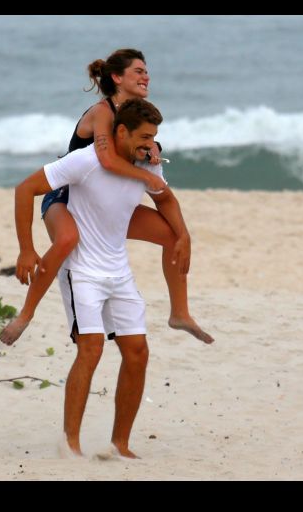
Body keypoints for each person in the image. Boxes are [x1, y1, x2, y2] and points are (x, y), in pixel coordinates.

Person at [0, 48, 213, 345]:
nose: (146, 75)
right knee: (66, 240)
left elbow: (144, 163)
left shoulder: (138, 118)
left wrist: (153, 150)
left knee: (171, 234)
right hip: (66, 195)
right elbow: (108, 161)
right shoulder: (103, 112)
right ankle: (26, 314)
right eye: (138, 71)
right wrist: (149, 176)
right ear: (117, 77)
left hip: (107, 201)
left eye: (146, 70)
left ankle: (180, 312)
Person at [13, 99, 179, 457]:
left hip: (119, 272)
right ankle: (70, 443)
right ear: (121, 131)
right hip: (82, 271)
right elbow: (25, 189)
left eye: (154, 138)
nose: (151, 145)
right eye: (145, 137)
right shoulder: (85, 161)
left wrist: (183, 237)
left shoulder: (146, 165)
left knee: (137, 352)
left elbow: (166, 201)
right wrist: (27, 248)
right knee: (91, 348)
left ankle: (120, 445)